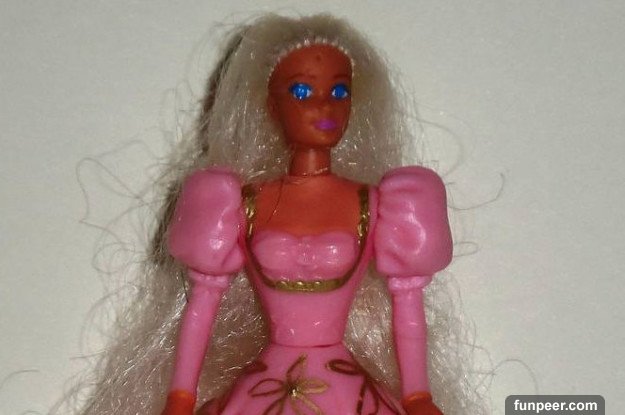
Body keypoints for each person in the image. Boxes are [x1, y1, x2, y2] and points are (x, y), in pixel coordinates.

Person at [72, 14, 485, 415]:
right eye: (302, 91)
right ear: (271, 105)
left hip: (345, 387)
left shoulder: (381, 203)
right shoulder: (238, 202)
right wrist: (180, 398)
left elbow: (408, 303)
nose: (324, 106)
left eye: (339, 91)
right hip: (266, 387)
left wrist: (417, 397)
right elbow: (202, 306)